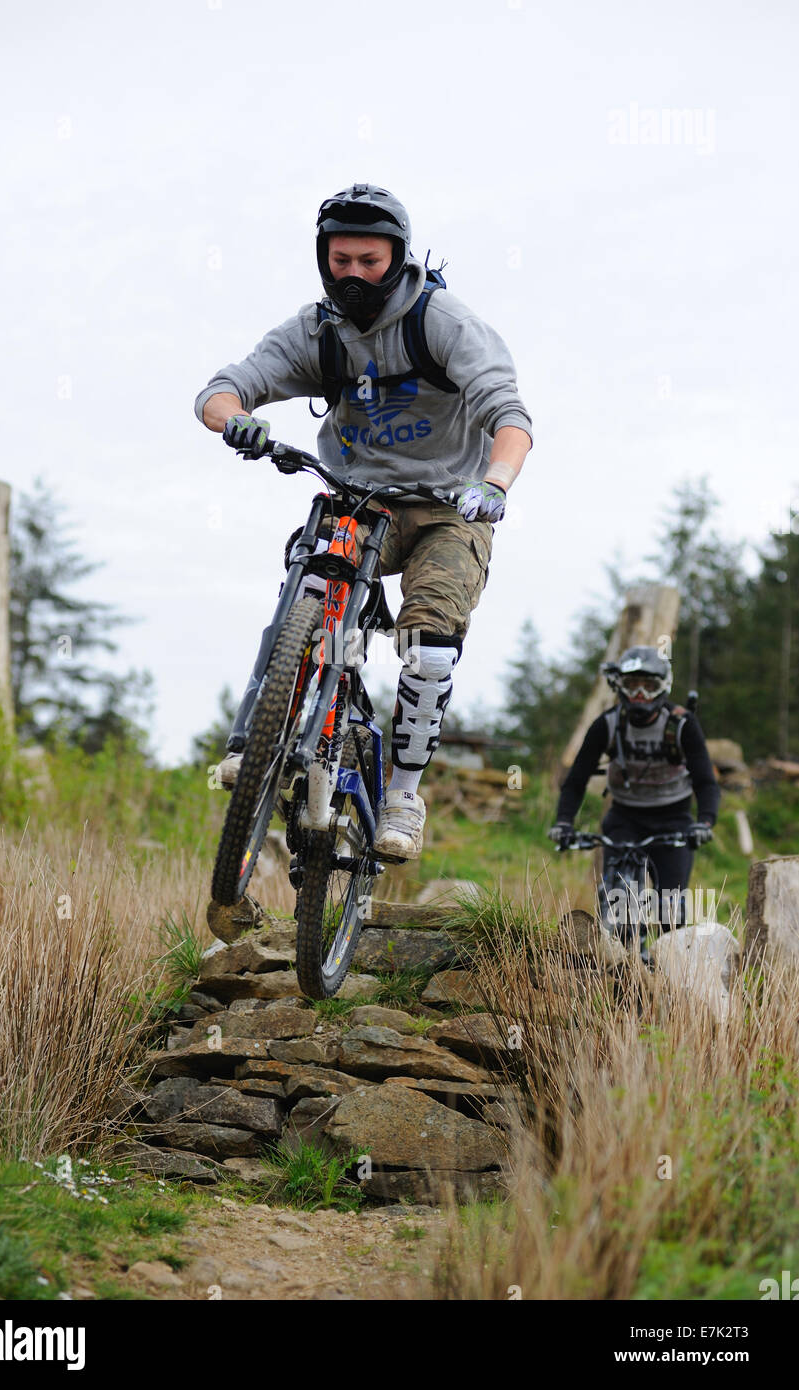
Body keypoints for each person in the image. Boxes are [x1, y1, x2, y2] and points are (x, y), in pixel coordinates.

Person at [194, 182, 532, 858]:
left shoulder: (442, 322)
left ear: (398, 259)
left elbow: (509, 416)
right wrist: (238, 423)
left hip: (448, 505)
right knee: (308, 591)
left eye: (368, 262)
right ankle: (253, 741)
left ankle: (403, 792)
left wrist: (494, 482)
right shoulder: (317, 331)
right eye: (340, 260)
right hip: (354, 500)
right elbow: (221, 389)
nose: (352, 274)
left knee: (428, 645)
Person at [548, 646, 720, 944]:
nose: (640, 694)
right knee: (617, 911)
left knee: (671, 915)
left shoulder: (681, 724)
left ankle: (670, 980)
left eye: (649, 686)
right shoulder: (607, 724)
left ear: (664, 686)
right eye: (632, 685)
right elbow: (576, 780)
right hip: (624, 820)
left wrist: (704, 823)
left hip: (674, 821)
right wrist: (564, 823)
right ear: (619, 686)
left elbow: (706, 781)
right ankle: (617, 975)